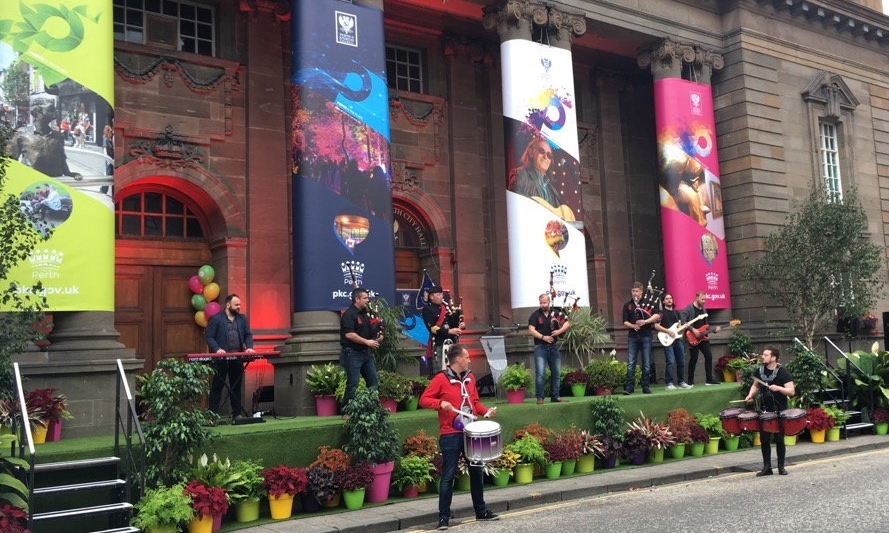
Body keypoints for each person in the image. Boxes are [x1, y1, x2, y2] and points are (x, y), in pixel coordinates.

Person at [418, 344, 499, 530]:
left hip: (471, 433)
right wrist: (440, 403)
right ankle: (443, 518)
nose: (470, 360)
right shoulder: (440, 379)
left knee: (477, 472)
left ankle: (481, 511)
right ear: (458, 359)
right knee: (448, 476)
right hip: (450, 434)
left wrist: (485, 412)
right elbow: (424, 399)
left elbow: (475, 402)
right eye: (467, 357)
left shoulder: (470, 377)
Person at [744, 346, 795, 476]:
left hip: (779, 410)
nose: (763, 356)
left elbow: (791, 391)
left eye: (766, 355)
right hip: (764, 410)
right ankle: (767, 467)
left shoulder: (783, 372)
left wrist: (778, 388)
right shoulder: (759, 371)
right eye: (763, 354)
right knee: (764, 439)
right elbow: (755, 385)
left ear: (773, 358)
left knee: (779, 439)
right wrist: (750, 395)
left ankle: (781, 467)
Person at [205, 294, 255, 421]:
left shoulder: (242, 319)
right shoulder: (216, 319)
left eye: (239, 304)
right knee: (217, 386)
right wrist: (217, 349)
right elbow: (209, 337)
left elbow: (248, 335)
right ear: (228, 305)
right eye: (236, 305)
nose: (239, 307)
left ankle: (237, 414)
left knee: (236, 386)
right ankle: (212, 416)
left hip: (237, 357)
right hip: (221, 359)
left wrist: (249, 347)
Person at [508, 137, 574, 221]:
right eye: (542, 151)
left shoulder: (552, 191)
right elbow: (514, 206)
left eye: (549, 155)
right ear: (531, 152)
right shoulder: (520, 174)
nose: (545, 156)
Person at [340, 287, 381, 413]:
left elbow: (368, 332)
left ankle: (372, 409)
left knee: (373, 381)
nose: (368, 301)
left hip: (365, 353)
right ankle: (346, 411)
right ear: (357, 299)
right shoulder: (349, 314)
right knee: (353, 382)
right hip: (352, 353)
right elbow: (349, 335)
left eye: (368, 298)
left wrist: (377, 337)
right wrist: (367, 342)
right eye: (365, 298)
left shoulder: (365, 314)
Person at [528, 293, 570, 404]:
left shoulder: (555, 313)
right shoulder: (535, 315)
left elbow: (567, 324)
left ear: (549, 302)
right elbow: (531, 329)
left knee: (556, 372)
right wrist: (543, 337)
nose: (542, 304)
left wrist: (558, 332)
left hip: (553, 347)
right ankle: (540, 397)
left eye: (544, 302)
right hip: (540, 347)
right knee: (540, 372)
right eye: (541, 302)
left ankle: (555, 396)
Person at [621, 281, 659, 394]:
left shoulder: (648, 303)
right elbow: (625, 321)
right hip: (633, 336)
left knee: (646, 363)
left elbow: (656, 315)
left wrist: (645, 321)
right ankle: (629, 387)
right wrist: (633, 326)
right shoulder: (627, 305)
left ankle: (645, 386)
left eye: (636, 291)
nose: (634, 293)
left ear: (641, 292)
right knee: (631, 363)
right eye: (633, 291)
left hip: (646, 336)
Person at [680, 291, 721, 385]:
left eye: (705, 299)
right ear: (697, 297)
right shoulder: (688, 309)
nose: (704, 301)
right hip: (692, 338)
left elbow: (706, 325)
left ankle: (709, 379)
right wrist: (693, 329)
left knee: (709, 356)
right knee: (694, 358)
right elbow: (683, 322)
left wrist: (714, 330)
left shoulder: (704, 310)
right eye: (702, 299)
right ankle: (690, 381)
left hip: (703, 337)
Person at [422, 286, 463, 379]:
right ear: (431, 297)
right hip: (439, 344)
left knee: (455, 370)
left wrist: (459, 324)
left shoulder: (447, 308)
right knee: (441, 373)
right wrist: (449, 331)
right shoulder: (428, 310)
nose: (441, 297)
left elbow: (452, 323)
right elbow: (433, 328)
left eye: (441, 294)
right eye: (438, 294)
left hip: (452, 343)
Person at [653, 293, 692, 391]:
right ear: (663, 301)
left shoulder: (677, 313)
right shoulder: (661, 313)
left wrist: (684, 326)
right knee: (670, 361)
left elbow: (679, 328)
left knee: (681, 361)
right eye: (667, 299)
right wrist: (668, 331)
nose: (669, 300)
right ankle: (669, 383)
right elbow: (656, 326)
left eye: (670, 298)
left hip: (677, 339)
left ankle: (681, 382)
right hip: (667, 339)